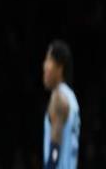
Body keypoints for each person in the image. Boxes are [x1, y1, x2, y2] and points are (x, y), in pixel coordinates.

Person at [42, 40, 80, 169]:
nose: (44, 66)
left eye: (48, 60)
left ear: (59, 67)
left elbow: (55, 151)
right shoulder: (72, 99)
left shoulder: (58, 98)